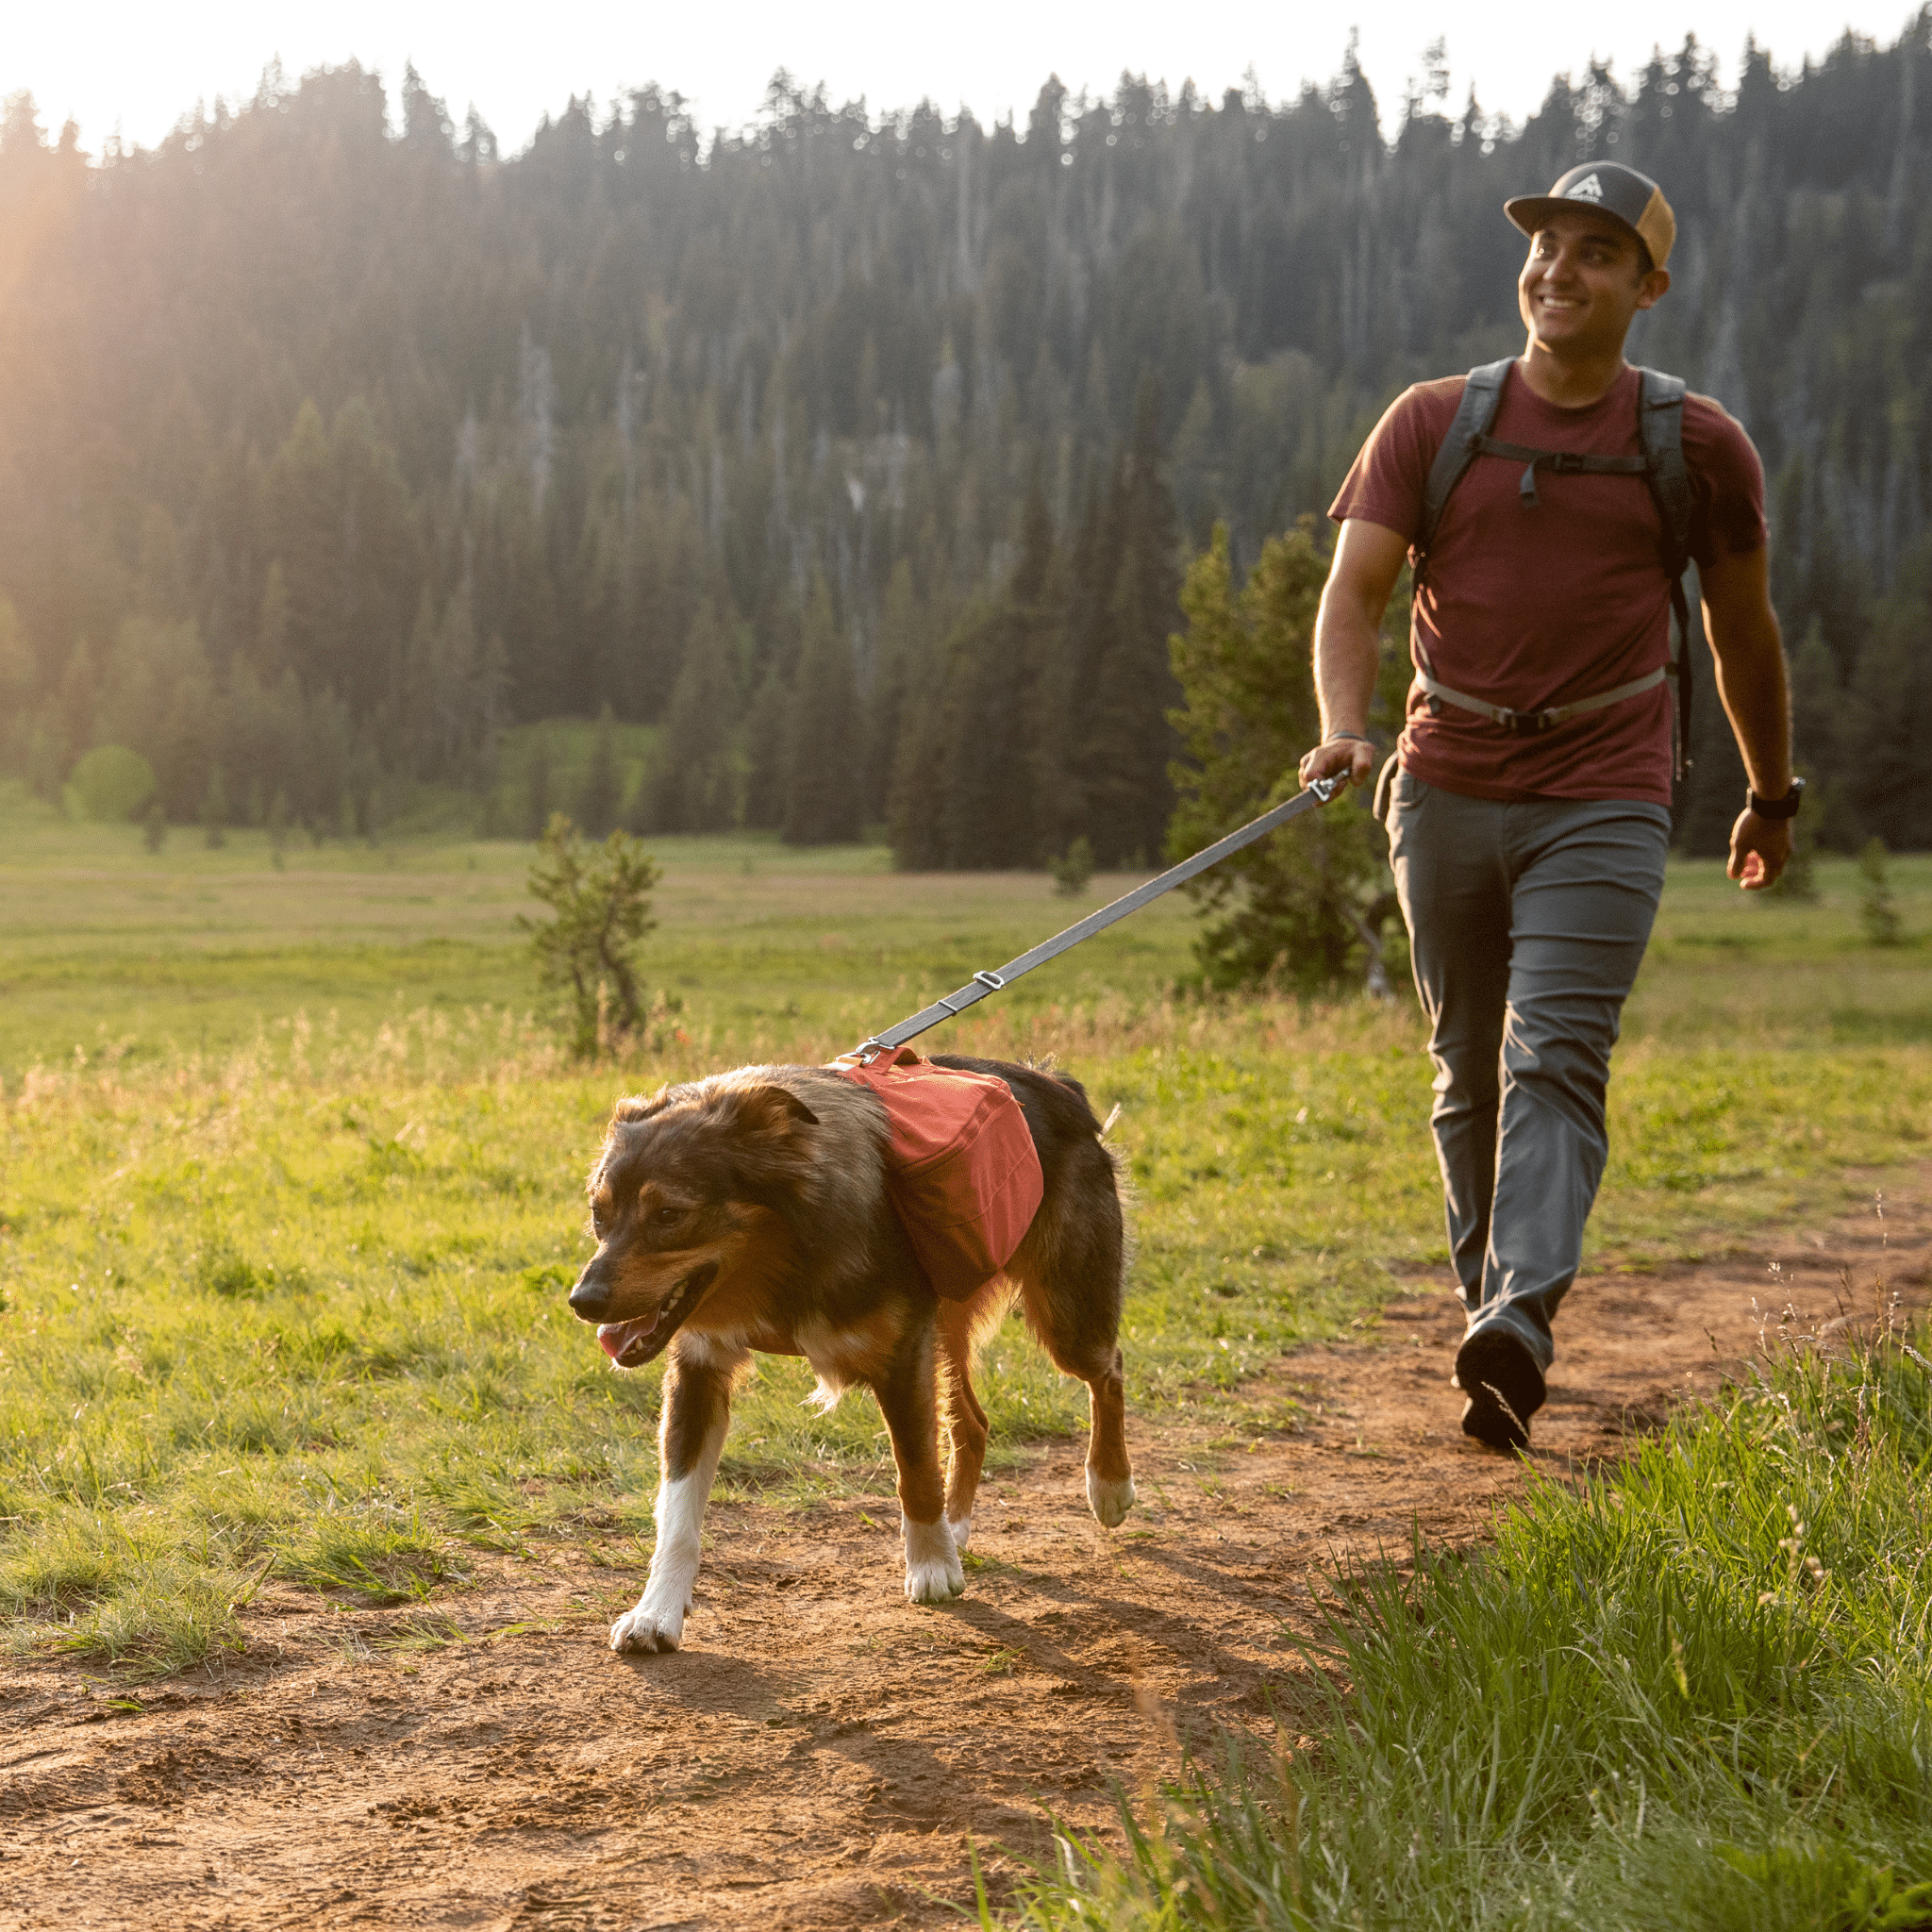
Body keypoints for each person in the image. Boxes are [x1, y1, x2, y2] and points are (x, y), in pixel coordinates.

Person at [1297, 160, 1798, 1451]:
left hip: (1605, 791)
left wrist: (1769, 792)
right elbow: (1354, 593)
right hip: (1444, 785)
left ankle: (1518, 1314)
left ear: (1648, 287)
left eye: (1595, 252)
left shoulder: (1697, 444)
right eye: (1546, 247)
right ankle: (1496, 1324)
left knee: (1556, 1053)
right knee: (1466, 1066)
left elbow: (1742, 635)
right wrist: (1344, 725)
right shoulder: (1431, 422)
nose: (1558, 270)